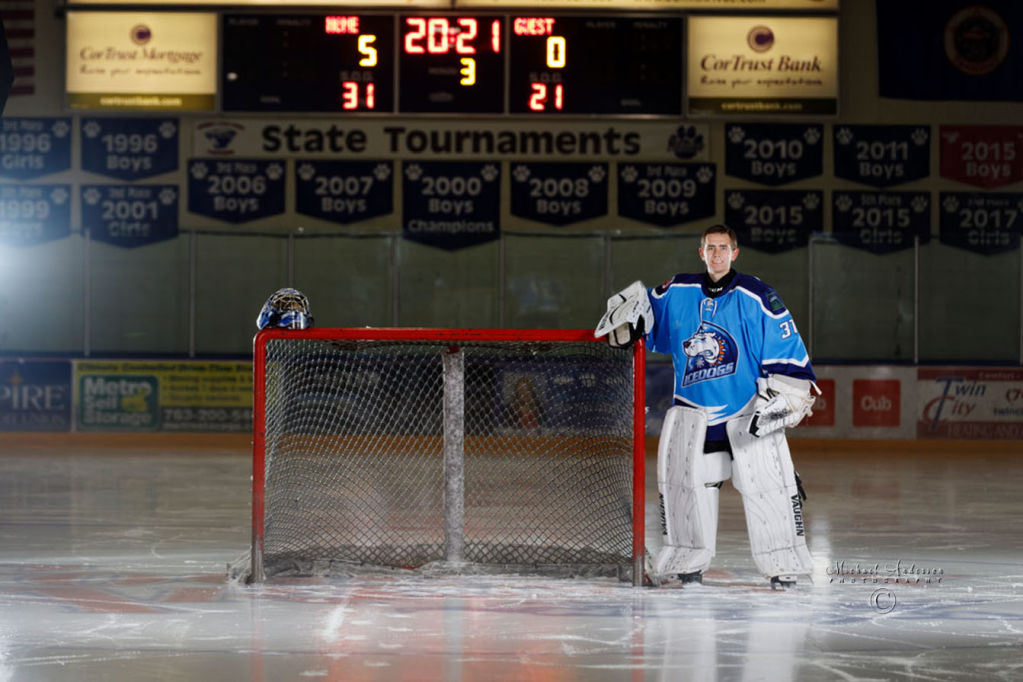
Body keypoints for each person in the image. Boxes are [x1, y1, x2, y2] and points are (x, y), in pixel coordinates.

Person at [594, 224, 818, 589]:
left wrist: (783, 400)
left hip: (746, 413)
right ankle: (687, 561)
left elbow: (791, 359)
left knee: (768, 484)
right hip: (694, 416)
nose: (716, 254)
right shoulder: (678, 290)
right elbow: (642, 317)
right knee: (685, 487)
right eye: (710, 248)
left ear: (734, 253)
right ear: (702, 252)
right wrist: (629, 320)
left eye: (723, 248)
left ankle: (783, 566)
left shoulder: (758, 295)